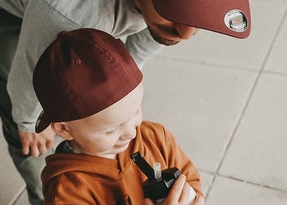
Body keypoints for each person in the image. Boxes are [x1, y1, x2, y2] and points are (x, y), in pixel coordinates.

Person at [0, 0, 263, 203]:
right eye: (175, 8)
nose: (186, 34)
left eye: (199, 12)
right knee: (26, 124)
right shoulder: (68, 14)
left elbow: (127, 67)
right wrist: (25, 121)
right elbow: (24, 77)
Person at [32, 28, 205, 205]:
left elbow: (191, 179)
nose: (131, 132)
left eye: (136, 111)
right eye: (111, 130)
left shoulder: (155, 136)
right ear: (64, 128)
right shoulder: (68, 193)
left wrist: (191, 198)